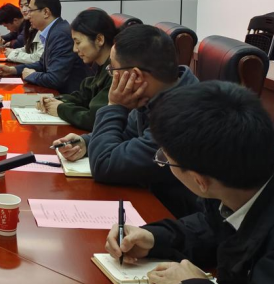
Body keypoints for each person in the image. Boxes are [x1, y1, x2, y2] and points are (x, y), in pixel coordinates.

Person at [105, 81, 274, 284]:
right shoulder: (255, 175)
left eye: (164, 159)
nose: (163, 162)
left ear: (199, 181)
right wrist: (156, 238)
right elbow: (218, 225)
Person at [53, 25, 199, 218]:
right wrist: (85, 142)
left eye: (112, 69)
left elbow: (105, 165)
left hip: (174, 217)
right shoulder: (157, 92)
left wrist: (114, 105)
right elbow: (127, 135)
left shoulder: (180, 114)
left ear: (135, 76)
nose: (111, 74)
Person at [0, 0, 88, 94]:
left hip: (67, 97)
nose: (28, 14)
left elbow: (55, 79)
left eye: (31, 10)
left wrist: (32, 75)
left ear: (46, 12)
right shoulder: (53, 30)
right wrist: (13, 70)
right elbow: (41, 64)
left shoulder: (60, 34)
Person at [38, 9, 116, 130]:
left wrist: (61, 109)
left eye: (78, 42)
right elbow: (84, 97)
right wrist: (55, 100)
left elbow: (94, 118)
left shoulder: (115, 71)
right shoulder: (100, 65)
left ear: (99, 39)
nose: (75, 49)